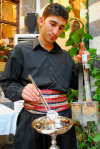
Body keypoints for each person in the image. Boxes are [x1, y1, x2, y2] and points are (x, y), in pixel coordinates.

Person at [0, 3, 90, 149]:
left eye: (61, 27)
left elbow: (76, 85)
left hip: (62, 122)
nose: (56, 31)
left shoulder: (66, 56)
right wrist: (20, 91)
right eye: (52, 24)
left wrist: (82, 65)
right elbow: (7, 82)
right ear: (42, 21)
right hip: (31, 122)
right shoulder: (21, 50)